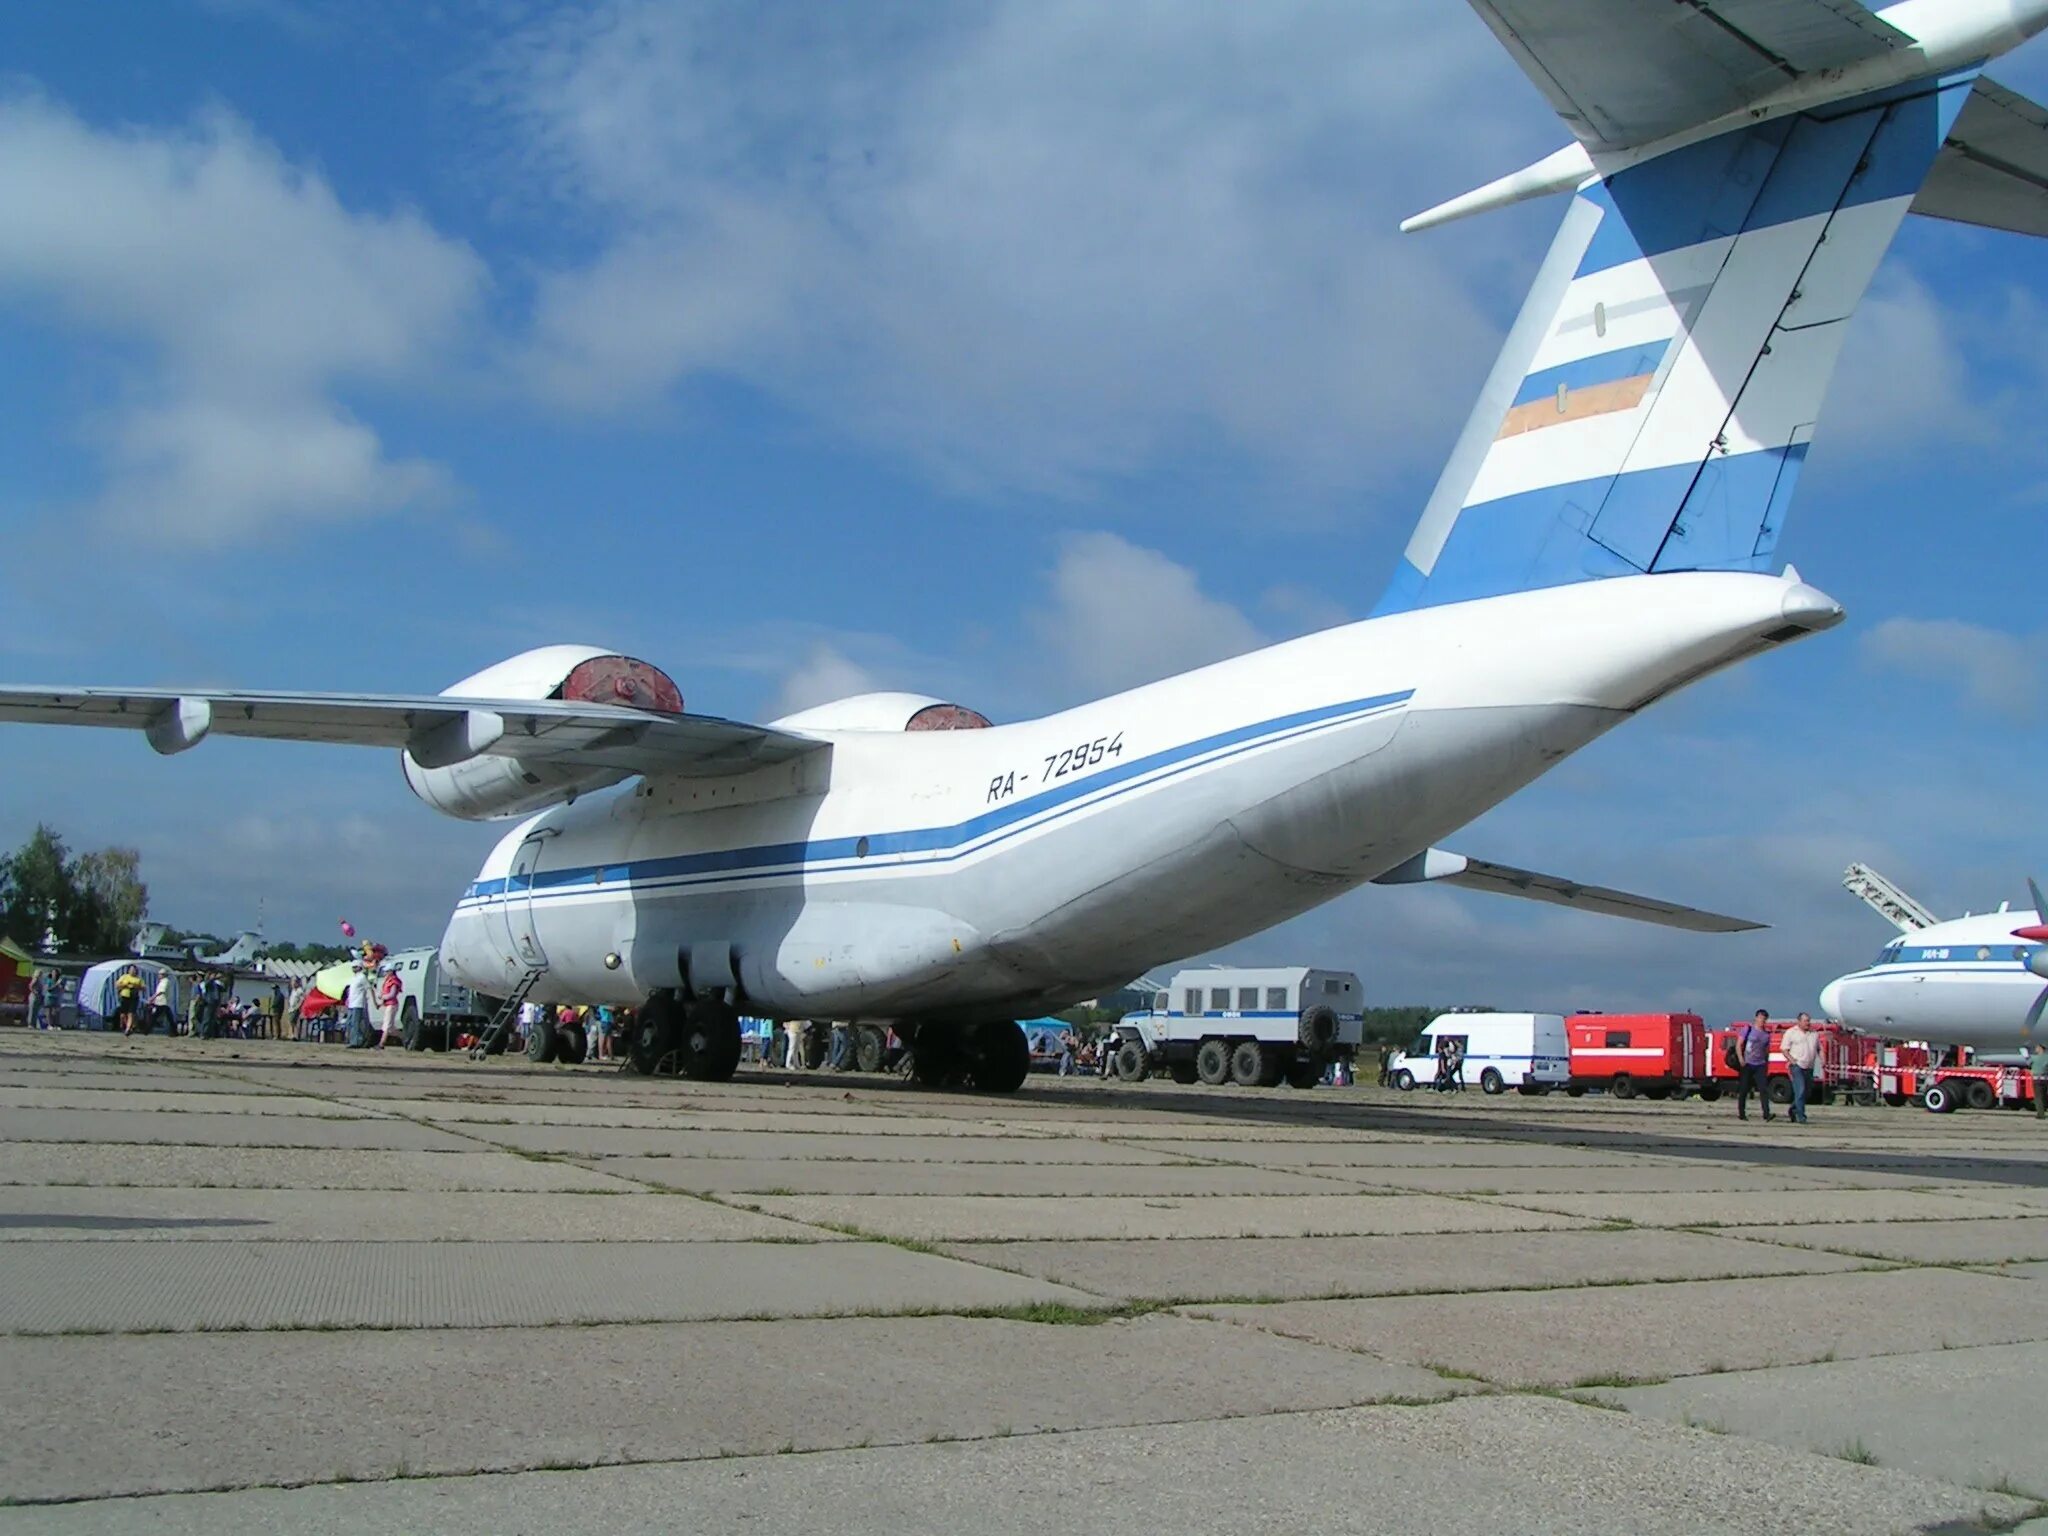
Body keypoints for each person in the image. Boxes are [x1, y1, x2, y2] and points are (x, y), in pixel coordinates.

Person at [1780, 1012, 1820, 1125]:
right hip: (1797, 1066)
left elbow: (1818, 1048)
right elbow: (1784, 1049)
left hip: (1809, 1067)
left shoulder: (1814, 1034)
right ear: (1799, 1021)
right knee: (1800, 1090)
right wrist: (1792, 1061)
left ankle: (1793, 1109)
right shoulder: (1791, 1032)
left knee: (1806, 1092)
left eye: (1809, 1020)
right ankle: (1801, 1116)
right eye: (1805, 1020)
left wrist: (1823, 1060)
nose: (1808, 1023)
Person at [1736, 1009, 1775, 1122]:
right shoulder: (1748, 1029)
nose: (1762, 1020)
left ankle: (1766, 1114)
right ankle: (1742, 1113)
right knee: (1744, 1089)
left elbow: (1766, 1051)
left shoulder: (1766, 1034)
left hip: (1760, 1064)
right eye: (1760, 1018)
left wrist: (1767, 1063)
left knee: (1763, 1089)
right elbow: (1739, 1044)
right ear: (1756, 1018)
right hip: (1747, 1063)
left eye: (1764, 1019)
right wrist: (1741, 1059)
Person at [344, 964, 372, 1049]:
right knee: (349, 1023)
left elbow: (368, 988)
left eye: (355, 966)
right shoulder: (354, 978)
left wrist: (371, 1000)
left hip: (358, 1003)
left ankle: (355, 1042)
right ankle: (356, 1039)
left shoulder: (362, 977)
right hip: (351, 1003)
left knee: (355, 1023)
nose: (353, 968)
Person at [113, 964, 145, 1036]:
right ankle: (127, 1026)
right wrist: (125, 985)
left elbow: (143, 988)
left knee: (131, 1013)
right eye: (131, 970)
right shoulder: (124, 977)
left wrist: (136, 986)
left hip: (134, 997)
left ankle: (128, 1028)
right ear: (128, 970)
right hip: (124, 996)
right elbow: (117, 985)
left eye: (134, 970)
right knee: (123, 1014)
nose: (133, 971)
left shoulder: (138, 979)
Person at [376, 965, 403, 1048]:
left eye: (387, 971)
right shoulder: (388, 980)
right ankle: (405, 1037)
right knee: (390, 1028)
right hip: (388, 1005)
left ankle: (381, 1043)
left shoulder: (394, 981)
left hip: (392, 1005)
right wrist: (381, 1003)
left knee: (387, 1025)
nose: (385, 973)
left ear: (391, 971)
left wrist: (382, 997)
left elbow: (392, 994)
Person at [149, 971, 173, 1036]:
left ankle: (147, 1029)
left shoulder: (165, 981)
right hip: (161, 1001)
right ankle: (174, 1030)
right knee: (168, 1017)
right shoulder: (163, 981)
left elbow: (161, 991)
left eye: (160, 974)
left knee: (155, 1016)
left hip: (162, 1002)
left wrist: (153, 997)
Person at [2031, 1036, 2048, 1121]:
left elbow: (2028, 1062)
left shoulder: (2035, 1058)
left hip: (2037, 1079)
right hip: (2045, 1079)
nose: (2035, 1049)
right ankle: (2044, 1110)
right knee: (2044, 1096)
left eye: (2037, 1047)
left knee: (2038, 1097)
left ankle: (2041, 1114)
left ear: (2041, 1048)